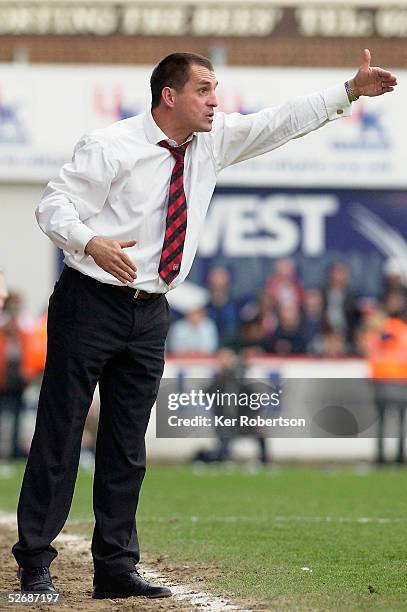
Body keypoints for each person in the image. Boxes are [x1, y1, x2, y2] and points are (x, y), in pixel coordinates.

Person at [12, 50, 397, 598]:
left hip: (150, 311)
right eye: (204, 89)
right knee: (60, 434)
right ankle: (34, 564)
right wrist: (90, 241)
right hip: (89, 303)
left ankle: (115, 567)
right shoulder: (110, 145)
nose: (216, 100)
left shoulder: (211, 143)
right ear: (170, 96)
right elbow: (53, 206)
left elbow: (280, 121)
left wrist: (350, 90)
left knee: (126, 444)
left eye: (216, 89)